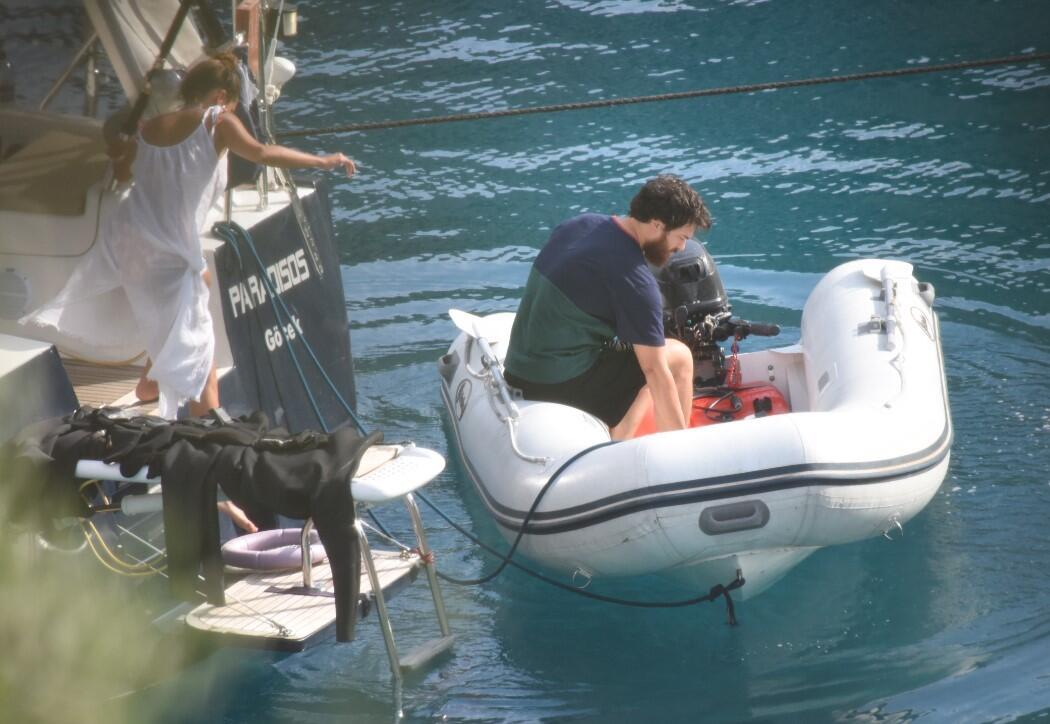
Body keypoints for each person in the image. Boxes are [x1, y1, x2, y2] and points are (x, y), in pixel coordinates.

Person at [23, 52, 355, 423]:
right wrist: (323, 161)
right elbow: (262, 153)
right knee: (199, 339)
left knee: (198, 286)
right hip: (166, 251)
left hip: (132, 244)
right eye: (231, 100)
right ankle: (207, 418)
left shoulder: (149, 127)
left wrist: (119, 152)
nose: (231, 107)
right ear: (220, 95)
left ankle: (151, 379)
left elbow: (122, 173)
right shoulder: (217, 122)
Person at [503, 175, 711, 440]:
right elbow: (655, 372)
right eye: (681, 238)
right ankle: (663, 447)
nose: (682, 248)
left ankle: (619, 430)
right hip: (556, 385)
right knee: (677, 357)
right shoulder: (636, 281)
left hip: (518, 370)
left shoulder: (580, 224)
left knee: (640, 356)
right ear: (657, 225)